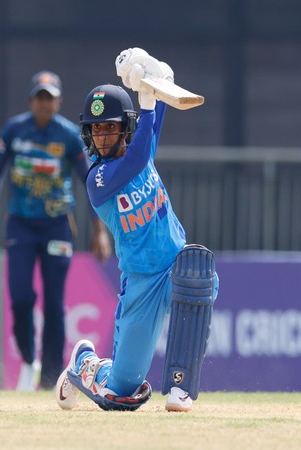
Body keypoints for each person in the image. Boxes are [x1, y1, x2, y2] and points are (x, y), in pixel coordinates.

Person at [55, 48, 219, 412]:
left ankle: (180, 387)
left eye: (110, 127)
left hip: (175, 263)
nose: (102, 136)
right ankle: (86, 362)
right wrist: (146, 102)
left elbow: (158, 109)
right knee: (121, 390)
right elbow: (140, 155)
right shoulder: (98, 179)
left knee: (200, 279)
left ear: (126, 128)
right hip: (141, 281)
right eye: (96, 129)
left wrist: (156, 77)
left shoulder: (140, 145)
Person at [0, 71, 113, 391]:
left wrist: (99, 229)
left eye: (49, 98)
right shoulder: (14, 130)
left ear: (58, 102)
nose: (44, 104)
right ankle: (29, 361)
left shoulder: (68, 136)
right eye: (39, 98)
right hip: (20, 223)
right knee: (20, 296)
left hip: (57, 225)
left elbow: (89, 181)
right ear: (31, 101)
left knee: (54, 303)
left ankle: (50, 377)